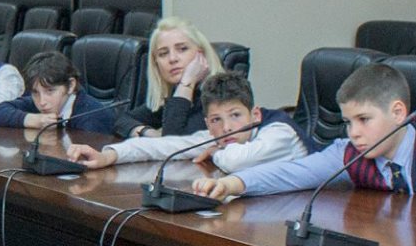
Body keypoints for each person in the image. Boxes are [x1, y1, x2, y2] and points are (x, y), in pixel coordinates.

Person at [191, 62, 416, 201]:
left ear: (399, 113)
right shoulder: (348, 153)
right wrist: (232, 184)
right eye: (348, 122)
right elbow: (291, 173)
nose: (354, 133)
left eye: (364, 119)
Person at [67, 72, 306, 174]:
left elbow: (236, 161)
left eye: (235, 115)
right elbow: (162, 146)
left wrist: (215, 153)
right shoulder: (217, 137)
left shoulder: (280, 131)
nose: (226, 128)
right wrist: (108, 156)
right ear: (207, 123)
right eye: (216, 120)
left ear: (255, 115)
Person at [119, 17, 223, 137]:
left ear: (202, 54)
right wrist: (147, 132)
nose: (172, 59)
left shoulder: (220, 94)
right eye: (163, 53)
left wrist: (186, 84)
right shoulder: (176, 93)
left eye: (182, 49)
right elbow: (123, 120)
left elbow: (173, 140)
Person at [0, 50, 119, 132]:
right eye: (35, 92)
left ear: (70, 85)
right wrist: (33, 120)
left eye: (50, 91)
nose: (42, 102)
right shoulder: (40, 102)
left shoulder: (93, 117)